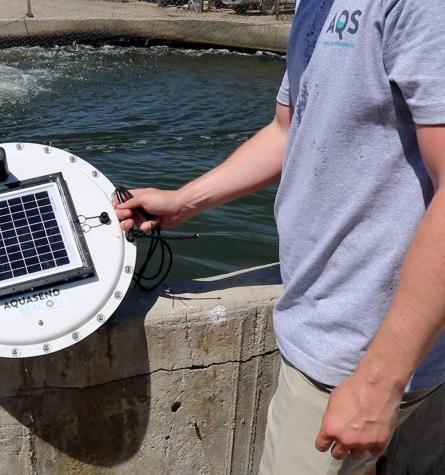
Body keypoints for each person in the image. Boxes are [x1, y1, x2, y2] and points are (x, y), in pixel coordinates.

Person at [116, 0, 445, 473]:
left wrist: (380, 379)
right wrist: (185, 200)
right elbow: (287, 129)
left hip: (362, 355)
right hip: (326, 334)